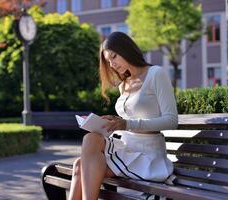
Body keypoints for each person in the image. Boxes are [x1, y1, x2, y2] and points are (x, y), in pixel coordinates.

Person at [68, 32, 178, 200]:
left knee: (81, 164)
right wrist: (112, 121)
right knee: (86, 149)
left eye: (114, 57)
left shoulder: (156, 74)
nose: (112, 64)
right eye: (108, 61)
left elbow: (171, 120)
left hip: (146, 154)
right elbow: (129, 119)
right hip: (125, 147)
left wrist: (127, 124)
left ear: (126, 50)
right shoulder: (123, 85)